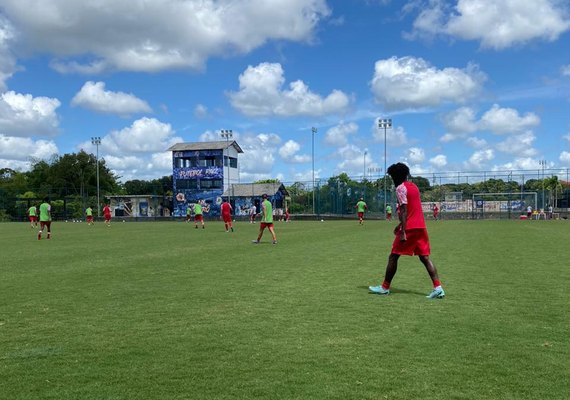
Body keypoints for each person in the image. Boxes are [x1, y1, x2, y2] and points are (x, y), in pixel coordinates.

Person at [369, 163, 445, 299]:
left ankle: (384, 287)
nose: (392, 179)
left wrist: (403, 230)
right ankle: (438, 288)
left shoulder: (400, 188)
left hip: (410, 228)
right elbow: (412, 209)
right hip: (421, 226)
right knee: (424, 257)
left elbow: (404, 210)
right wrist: (400, 225)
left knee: (393, 256)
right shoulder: (414, 187)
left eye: (392, 176)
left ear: (395, 176)